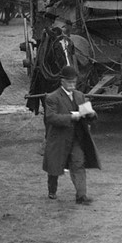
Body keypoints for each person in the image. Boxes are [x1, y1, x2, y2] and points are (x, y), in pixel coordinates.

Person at [43, 65, 100, 204]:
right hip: (59, 139)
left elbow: (88, 114)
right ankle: (52, 190)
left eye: (74, 82)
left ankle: (81, 196)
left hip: (76, 138)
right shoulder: (52, 98)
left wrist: (91, 114)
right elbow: (50, 118)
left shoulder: (80, 96)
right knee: (54, 168)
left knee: (78, 164)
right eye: (69, 82)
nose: (72, 85)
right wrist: (70, 118)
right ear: (62, 81)